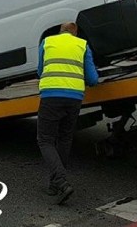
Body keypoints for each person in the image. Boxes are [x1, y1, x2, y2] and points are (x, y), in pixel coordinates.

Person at [36, 22, 99, 204]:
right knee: (64, 138)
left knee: (45, 140)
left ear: (60, 31)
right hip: (74, 98)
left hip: (51, 96)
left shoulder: (47, 42)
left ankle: (61, 182)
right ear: (75, 32)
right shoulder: (82, 45)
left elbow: (40, 71)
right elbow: (93, 79)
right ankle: (56, 184)